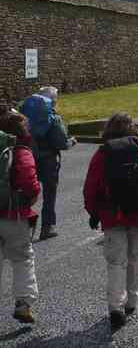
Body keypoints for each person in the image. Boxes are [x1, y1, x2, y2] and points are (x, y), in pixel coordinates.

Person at [84, 113, 138, 329]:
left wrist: (93, 211)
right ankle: (132, 301)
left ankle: (115, 307)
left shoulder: (102, 154)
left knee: (115, 263)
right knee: (135, 259)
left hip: (112, 215)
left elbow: (91, 187)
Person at [0, 111, 41, 324]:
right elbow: (30, 184)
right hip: (14, 215)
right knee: (23, 259)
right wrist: (30, 198)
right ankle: (23, 304)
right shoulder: (22, 151)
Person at [20, 86, 76, 240]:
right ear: (51, 101)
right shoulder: (53, 118)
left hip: (27, 158)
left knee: (25, 191)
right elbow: (62, 143)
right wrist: (71, 141)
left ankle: (22, 227)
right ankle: (47, 227)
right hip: (49, 160)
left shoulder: (22, 117)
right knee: (49, 194)